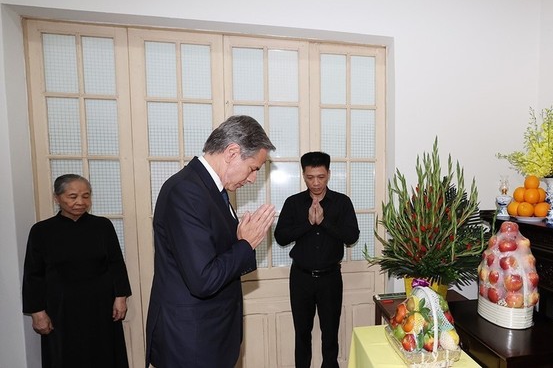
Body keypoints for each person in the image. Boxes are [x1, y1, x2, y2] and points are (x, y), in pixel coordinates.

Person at [145, 115, 277, 368]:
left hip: (211, 334)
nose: (251, 179)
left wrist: (238, 239)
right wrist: (245, 244)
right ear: (232, 152)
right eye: (253, 169)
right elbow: (203, 279)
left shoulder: (213, 191)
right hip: (191, 341)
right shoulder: (186, 191)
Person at [22, 174, 132, 368]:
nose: (80, 202)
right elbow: (33, 274)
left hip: (101, 305)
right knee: (64, 357)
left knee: (105, 354)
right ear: (57, 197)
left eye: (86, 196)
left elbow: (116, 263)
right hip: (60, 308)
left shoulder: (102, 226)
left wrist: (120, 297)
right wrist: (37, 312)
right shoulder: (41, 231)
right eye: (73, 196)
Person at [274, 152, 360, 368]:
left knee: (330, 334)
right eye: (310, 177)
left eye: (320, 177)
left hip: (330, 278)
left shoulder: (342, 202)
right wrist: (309, 223)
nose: (316, 183)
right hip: (300, 278)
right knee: (302, 334)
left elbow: (352, 237)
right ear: (303, 175)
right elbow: (281, 237)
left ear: (329, 174)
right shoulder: (293, 203)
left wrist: (324, 221)